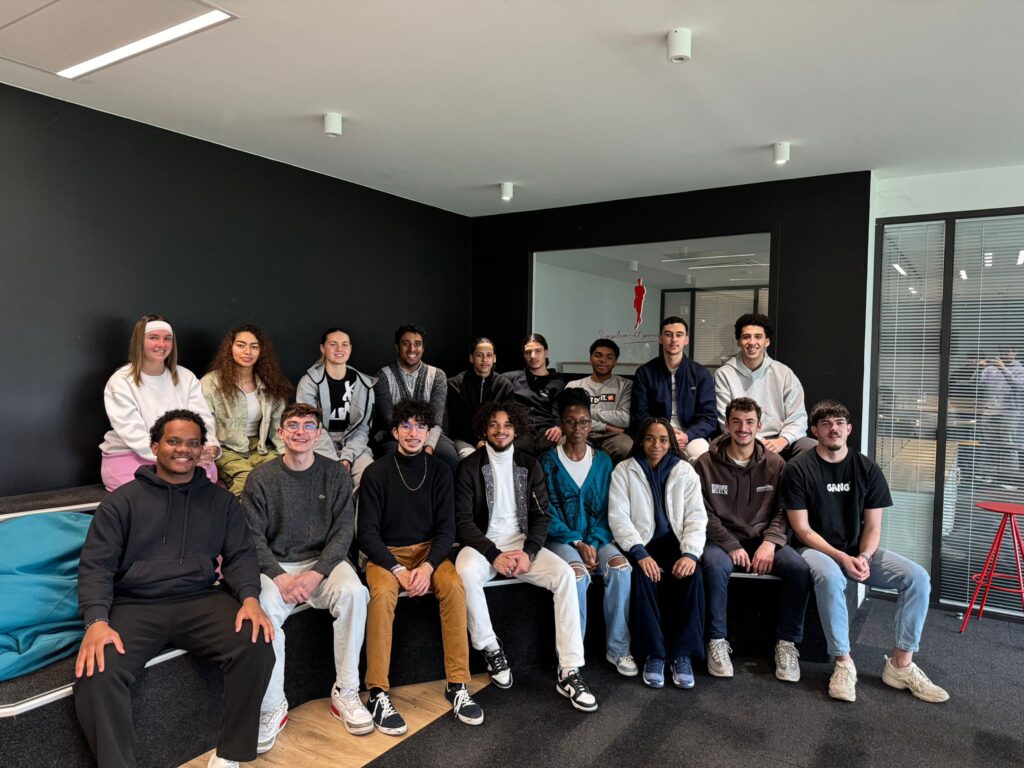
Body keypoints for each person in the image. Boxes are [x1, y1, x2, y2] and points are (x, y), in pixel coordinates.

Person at [75, 409, 275, 768]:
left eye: (192, 443)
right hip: (135, 604)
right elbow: (96, 566)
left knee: (256, 643)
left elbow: (241, 555)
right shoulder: (121, 502)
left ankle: (231, 754)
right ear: (155, 447)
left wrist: (249, 598)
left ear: (201, 450)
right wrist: (96, 621)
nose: (183, 449)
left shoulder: (222, 502)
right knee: (98, 670)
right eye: (173, 441)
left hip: (199, 599)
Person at [781, 399, 949, 703]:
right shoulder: (798, 469)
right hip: (813, 548)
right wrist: (841, 557)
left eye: (839, 423)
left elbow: (873, 526)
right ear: (815, 431)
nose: (834, 429)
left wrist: (864, 556)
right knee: (831, 576)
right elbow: (802, 530)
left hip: (858, 550)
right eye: (826, 424)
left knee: (917, 577)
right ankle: (843, 663)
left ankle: (901, 664)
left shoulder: (867, 468)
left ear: (849, 429)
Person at [241, 403, 372, 752]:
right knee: (263, 607)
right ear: (281, 433)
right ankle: (273, 706)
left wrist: (316, 574)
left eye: (309, 425)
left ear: (319, 434)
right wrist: (278, 577)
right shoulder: (261, 478)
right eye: (293, 425)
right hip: (277, 567)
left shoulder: (335, 474)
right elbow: (252, 538)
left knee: (354, 592)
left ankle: (346, 692)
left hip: (322, 564)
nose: (301, 431)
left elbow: (343, 533)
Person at [454, 401, 598, 712]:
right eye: (494, 424)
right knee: (464, 570)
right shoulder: (468, 467)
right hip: (483, 545)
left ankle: (569, 670)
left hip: (521, 544)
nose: (501, 430)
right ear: (484, 429)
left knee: (565, 575)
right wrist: (494, 555)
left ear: (516, 429)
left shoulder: (529, 465)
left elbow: (542, 515)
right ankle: (491, 648)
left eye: (507, 424)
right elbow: (463, 521)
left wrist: (529, 551)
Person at [358, 399, 483, 734]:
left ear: (429, 433)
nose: (413, 433)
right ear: (395, 431)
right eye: (407, 426)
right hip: (387, 555)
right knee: (382, 596)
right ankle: (377, 692)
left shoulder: (441, 470)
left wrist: (427, 567)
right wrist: (398, 570)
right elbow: (366, 534)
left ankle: (458, 684)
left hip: (429, 552)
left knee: (454, 586)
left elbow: (447, 530)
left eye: (420, 426)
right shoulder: (376, 472)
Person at [693, 397, 810, 682]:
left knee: (798, 569)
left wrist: (770, 542)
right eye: (736, 421)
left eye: (749, 422)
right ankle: (716, 640)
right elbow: (702, 513)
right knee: (715, 567)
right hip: (720, 539)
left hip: (763, 539)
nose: (742, 428)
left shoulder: (775, 463)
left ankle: (787, 643)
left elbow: (784, 510)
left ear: (759, 426)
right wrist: (731, 544)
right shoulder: (705, 463)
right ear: (726, 424)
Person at [539, 388, 635, 677]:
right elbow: (545, 511)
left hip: (596, 538)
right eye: (571, 422)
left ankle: (618, 648)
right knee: (576, 575)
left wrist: (592, 541)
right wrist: (578, 542)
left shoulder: (603, 461)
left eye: (583, 422)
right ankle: (572, 654)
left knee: (621, 568)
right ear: (562, 424)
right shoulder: (547, 462)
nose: (578, 428)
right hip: (561, 539)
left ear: (591, 423)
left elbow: (608, 509)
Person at [608, 417, 707, 689]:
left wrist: (690, 554)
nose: (656, 445)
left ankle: (682, 655)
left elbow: (696, 517)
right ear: (641, 440)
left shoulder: (685, 471)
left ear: (671, 442)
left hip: (677, 545)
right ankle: (655, 654)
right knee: (642, 577)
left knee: (693, 576)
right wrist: (639, 553)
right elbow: (618, 517)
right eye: (650, 438)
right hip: (642, 545)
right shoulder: (624, 470)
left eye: (663, 439)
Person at [99, 314, 219, 491]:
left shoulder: (186, 378)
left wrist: (209, 447)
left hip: (182, 453)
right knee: (157, 490)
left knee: (205, 477)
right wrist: (174, 455)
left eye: (167, 338)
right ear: (139, 342)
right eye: (153, 338)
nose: (161, 344)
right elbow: (134, 435)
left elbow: (203, 421)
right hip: (130, 455)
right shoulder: (121, 382)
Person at [201, 324, 292, 496]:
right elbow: (204, 424)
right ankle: (236, 514)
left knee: (281, 476)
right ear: (230, 348)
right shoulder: (211, 383)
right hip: (226, 448)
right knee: (247, 479)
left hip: (259, 447)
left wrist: (288, 454)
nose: (247, 351)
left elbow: (278, 426)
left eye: (254, 346)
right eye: (241, 345)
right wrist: (209, 447)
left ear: (261, 351)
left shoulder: (270, 383)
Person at [714, 313, 817, 459]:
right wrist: (760, 442)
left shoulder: (784, 373)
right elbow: (724, 419)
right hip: (742, 437)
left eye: (758, 337)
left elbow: (798, 416)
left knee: (814, 449)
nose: (752, 342)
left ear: (767, 341)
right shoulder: (724, 374)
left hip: (781, 439)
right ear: (738, 342)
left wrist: (783, 440)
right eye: (746, 337)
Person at [296, 327, 377, 492]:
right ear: (322, 348)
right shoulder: (309, 382)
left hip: (354, 443)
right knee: (328, 482)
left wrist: (347, 456)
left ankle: (357, 511)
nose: (340, 349)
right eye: (333, 344)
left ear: (350, 348)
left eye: (345, 344)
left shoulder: (364, 384)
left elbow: (363, 428)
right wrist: (334, 461)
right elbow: (310, 426)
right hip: (317, 443)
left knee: (370, 479)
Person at [373, 324, 459, 470]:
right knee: (393, 461)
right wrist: (411, 443)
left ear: (423, 348)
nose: (412, 349)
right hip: (396, 435)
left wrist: (428, 446)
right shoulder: (383, 376)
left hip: (431, 434)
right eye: (406, 343)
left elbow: (436, 420)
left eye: (417, 344)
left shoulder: (437, 375)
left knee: (449, 458)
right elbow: (389, 419)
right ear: (397, 347)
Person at [631, 317, 716, 461]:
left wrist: (687, 436)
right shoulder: (645, 373)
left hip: (690, 435)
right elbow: (639, 415)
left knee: (701, 454)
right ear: (660, 338)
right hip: (656, 434)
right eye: (668, 334)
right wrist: (664, 435)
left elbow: (709, 418)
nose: (673, 339)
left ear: (686, 340)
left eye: (679, 335)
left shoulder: (701, 374)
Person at [565, 338, 634, 462]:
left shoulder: (625, 385)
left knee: (626, 447)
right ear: (590, 358)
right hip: (580, 431)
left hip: (614, 436)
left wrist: (588, 412)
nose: (603, 360)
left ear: (615, 362)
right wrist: (606, 426)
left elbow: (625, 419)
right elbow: (571, 419)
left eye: (609, 357)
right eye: (598, 355)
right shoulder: (574, 385)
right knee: (563, 443)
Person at [446, 336, 513, 458]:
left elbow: (507, 420)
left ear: (494, 358)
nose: (485, 359)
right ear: (471, 358)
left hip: (496, 437)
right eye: (479, 355)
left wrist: (490, 440)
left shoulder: (504, 386)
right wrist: (477, 441)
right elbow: (457, 424)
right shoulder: (455, 384)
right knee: (470, 457)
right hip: (465, 439)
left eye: (489, 355)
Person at [504, 333, 566, 458]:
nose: (533, 356)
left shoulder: (557, 382)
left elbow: (559, 412)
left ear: (546, 353)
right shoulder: (511, 378)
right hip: (520, 431)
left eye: (538, 351)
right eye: (528, 352)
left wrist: (559, 428)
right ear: (524, 355)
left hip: (547, 433)